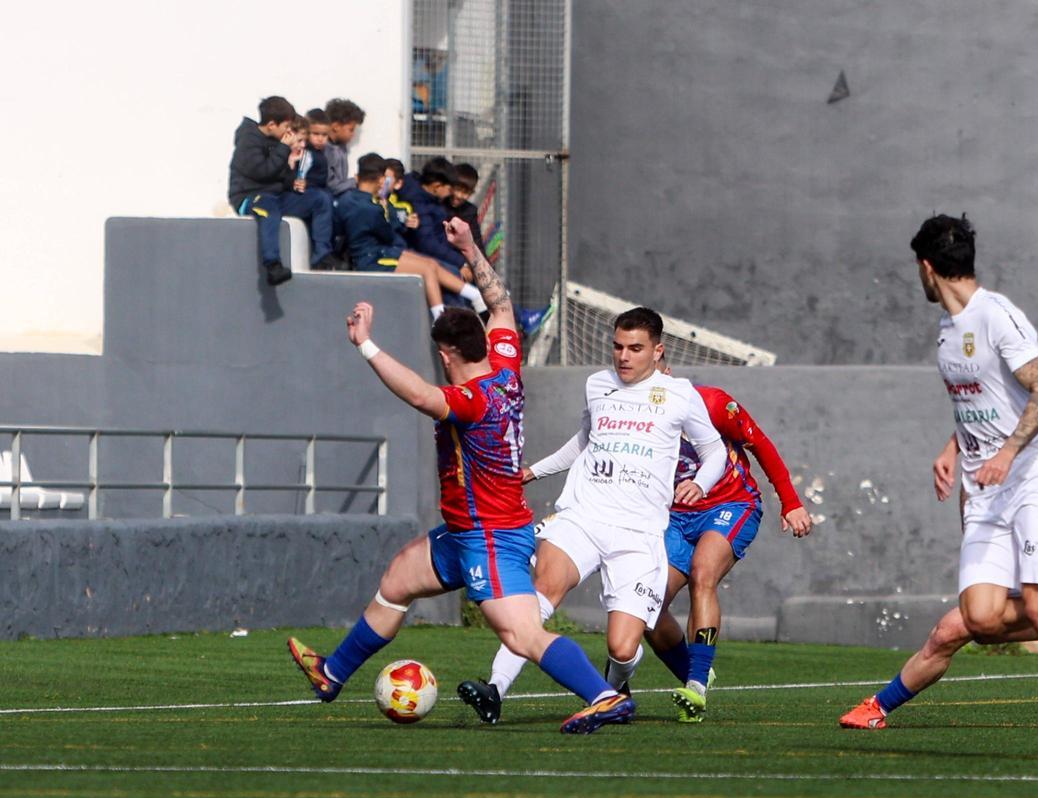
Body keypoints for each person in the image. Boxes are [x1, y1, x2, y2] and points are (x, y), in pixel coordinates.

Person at [287, 218, 631, 735]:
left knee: (522, 635)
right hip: (469, 528)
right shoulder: (505, 365)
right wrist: (469, 246)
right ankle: (331, 673)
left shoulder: (469, 400)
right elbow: (503, 306)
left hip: (488, 536)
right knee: (399, 579)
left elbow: (423, 397)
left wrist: (366, 345)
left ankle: (604, 696)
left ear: (446, 354)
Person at [897, 214, 1038, 762]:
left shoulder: (997, 315)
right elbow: (985, 403)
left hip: (1034, 479)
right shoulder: (948, 330)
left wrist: (1008, 452)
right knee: (981, 618)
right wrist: (953, 450)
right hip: (986, 487)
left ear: (927, 268)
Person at [457, 308, 729, 725]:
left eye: (635, 348)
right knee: (543, 589)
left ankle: (613, 687)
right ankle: (495, 688)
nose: (624, 356)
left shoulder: (680, 394)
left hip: (638, 534)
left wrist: (701, 484)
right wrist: (534, 470)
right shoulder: (597, 385)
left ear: (658, 351)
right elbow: (584, 441)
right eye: (618, 346)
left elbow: (714, 452)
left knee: (622, 647)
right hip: (584, 515)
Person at [840, 412, 1038, 730]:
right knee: (978, 628)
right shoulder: (983, 427)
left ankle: (877, 707)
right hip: (998, 557)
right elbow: (972, 486)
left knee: (951, 631)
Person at [645, 362, 814, 723]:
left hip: (731, 505)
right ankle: (694, 673)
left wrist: (791, 503)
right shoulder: (632, 415)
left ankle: (696, 688)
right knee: (646, 606)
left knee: (702, 574)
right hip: (673, 516)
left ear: (667, 368)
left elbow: (761, 445)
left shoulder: (713, 403)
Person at [335, 154, 487, 319]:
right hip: (374, 258)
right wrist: (390, 215)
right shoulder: (373, 207)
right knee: (427, 269)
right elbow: (386, 233)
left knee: (431, 264)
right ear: (380, 181)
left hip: (380, 252)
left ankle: (475, 295)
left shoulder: (346, 200)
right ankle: (440, 318)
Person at [228, 96, 337, 285]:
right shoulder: (249, 140)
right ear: (271, 124)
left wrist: (293, 181)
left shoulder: (277, 143)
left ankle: (322, 256)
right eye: (286, 126)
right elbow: (262, 172)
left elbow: (279, 178)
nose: (289, 132)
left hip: (276, 195)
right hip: (249, 197)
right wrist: (283, 149)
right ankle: (273, 264)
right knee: (269, 209)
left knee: (320, 199)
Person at [324, 98, 365, 196]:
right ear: (336, 126)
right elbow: (332, 186)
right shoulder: (326, 150)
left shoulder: (341, 147)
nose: (353, 134)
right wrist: (355, 181)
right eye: (351, 130)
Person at [446, 162, 485, 253]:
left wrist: (485, 266)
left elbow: (476, 241)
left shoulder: (469, 211)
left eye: (465, 192)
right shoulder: (439, 204)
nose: (459, 195)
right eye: (457, 189)